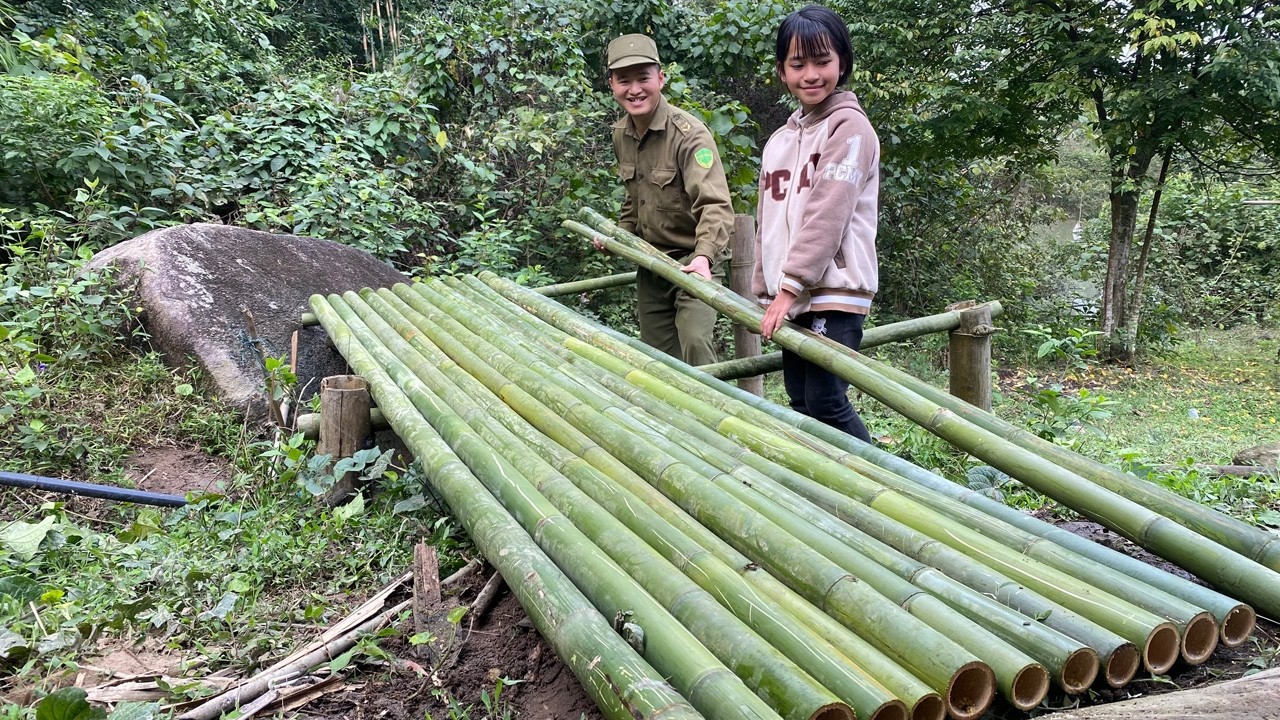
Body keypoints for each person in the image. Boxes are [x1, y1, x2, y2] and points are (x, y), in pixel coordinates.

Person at [752, 5, 879, 442]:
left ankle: (888, 487)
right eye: (797, 64)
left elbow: (830, 212)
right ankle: (832, 492)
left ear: (842, 62)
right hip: (789, 293)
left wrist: (788, 288)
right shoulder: (781, 141)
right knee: (800, 399)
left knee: (826, 399)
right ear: (782, 71)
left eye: (822, 61)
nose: (811, 74)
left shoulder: (850, 129)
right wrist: (766, 287)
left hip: (832, 292)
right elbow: (765, 221)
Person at [601, 33, 736, 367]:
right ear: (612, 85)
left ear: (660, 78)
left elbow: (715, 205)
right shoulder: (621, 133)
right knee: (658, 358)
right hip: (652, 261)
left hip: (695, 259)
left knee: (694, 343)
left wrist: (704, 257)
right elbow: (635, 200)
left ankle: (714, 413)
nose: (634, 89)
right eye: (624, 81)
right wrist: (617, 235)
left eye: (643, 78)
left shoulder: (690, 134)